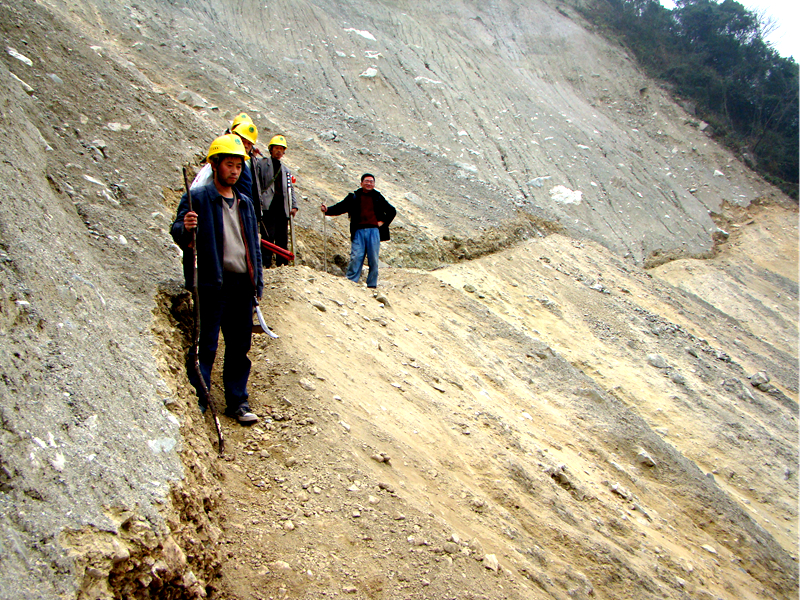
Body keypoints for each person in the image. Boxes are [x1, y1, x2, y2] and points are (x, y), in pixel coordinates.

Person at [171, 134, 263, 424]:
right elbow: (178, 233)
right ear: (215, 165)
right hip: (211, 283)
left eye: (238, 166)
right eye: (229, 165)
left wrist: (257, 283)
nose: (234, 171)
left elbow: (253, 247)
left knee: (239, 347)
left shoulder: (245, 203)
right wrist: (186, 228)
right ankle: (200, 399)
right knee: (206, 345)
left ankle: (237, 401)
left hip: (241, 285)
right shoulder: (198, 198)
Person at [320, 173, 396, 289]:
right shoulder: (354, 197)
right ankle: (351, 282)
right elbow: (341, 207)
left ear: (374, 184)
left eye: (371, 181)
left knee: (373, 259)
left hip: (374, 231)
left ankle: (372, 285)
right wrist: (328, 210)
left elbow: (392, 211)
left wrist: (383, 222)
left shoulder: (378, 197)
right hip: (358, 231)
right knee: (356, 256)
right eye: (366, 181)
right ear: (361, 183)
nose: (369, 183)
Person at [252, 135, 298, 266]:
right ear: (271, 149)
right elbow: (256, 179)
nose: (279, 151)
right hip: (268, 207)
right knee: (268, 236)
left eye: (281, 149)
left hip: (282, 208)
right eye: (276, 148)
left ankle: (282, 265)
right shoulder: (262, 163)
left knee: (282, 238)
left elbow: (290, 189)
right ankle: (265, 264)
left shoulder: (286, 170)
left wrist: (294, 205)